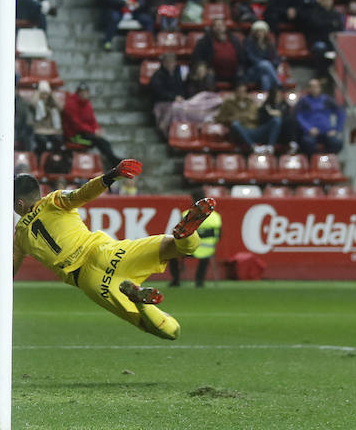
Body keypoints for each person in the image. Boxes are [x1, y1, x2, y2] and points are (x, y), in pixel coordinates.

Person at [12, 161, 218, 339]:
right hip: (108, 252)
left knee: (169, 331)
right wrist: (112, 175)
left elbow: (10, 269)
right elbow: (82, 194)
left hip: (88, 279)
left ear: (19, 203)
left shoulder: (19, 235)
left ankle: (139, 301)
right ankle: (188, 234)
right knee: (176, 247)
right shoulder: (54, 200)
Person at [168, 191, 221, 288]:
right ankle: (199, 281)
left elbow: (179, 234)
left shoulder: (186, 215)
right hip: (208, 249)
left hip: (189, 248)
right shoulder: (215, 216)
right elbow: (219, 235)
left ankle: (176, 280)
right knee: (204, 258)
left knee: (172, 256)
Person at [62, 84, 122, 167]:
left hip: (86, 133)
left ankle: (112, 160)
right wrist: (93, 131)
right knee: (98, 141)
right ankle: (113, 161)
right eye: (81, 92)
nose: (83, 94)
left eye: (85, 92)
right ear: (77, 93)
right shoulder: (70, 105)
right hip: (74, 136)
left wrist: (97, 129)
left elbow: (93, 120)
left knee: (105, 142)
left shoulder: (87, 104)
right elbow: (76, 125)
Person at [216, 83, 280, 154]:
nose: (242, 93)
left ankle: (270, 147)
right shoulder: (228, 103)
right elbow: (219, 119)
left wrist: (268, 112)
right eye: (239, 91)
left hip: (254, 129)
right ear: (235, 92)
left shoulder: (251, 102)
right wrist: (232, 118)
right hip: (241, 131)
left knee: (276, 120)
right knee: (235, 124)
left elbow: (258, 117)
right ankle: (254, 148)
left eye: (244, 91)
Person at [294, 77, 345, 154]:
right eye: (311, 87)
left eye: (316, 87)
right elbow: (298, 116)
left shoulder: (327, 100)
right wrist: (308, 128)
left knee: (337, 143)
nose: (313, 89)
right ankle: (314, 160)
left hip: (326, 132)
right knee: (306, 143)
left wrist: (336, 129)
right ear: (308, 88)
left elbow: (341, 113)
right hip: (311, 133)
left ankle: (326, 158)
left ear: (320, 88)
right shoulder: (303, 101)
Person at [300, 0, 343, 72]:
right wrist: (331, 24)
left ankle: (335, 74)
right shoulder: (314, 12)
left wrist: (326, 24)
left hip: (333, 42)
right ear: (320, 0)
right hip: (319, 40)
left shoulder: (336, 14)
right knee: (320, 48)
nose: (327, 1)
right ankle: (321, 74)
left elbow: (340, 27)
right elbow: (316, 25)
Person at [193, 18, 244, 86]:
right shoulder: (205, 41)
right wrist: (204, 66)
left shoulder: (234, 40)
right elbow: (197, 56)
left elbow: (242, 57)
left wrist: (241, 67)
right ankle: (210, 96)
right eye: (216, 25)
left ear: (225, 27)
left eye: (221, 25)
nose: (219, 27)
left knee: (241, 78)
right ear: (212, 28)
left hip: (233, 71)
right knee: (208, 78)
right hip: (213, 71)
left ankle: (239, 97)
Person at [242, 21, 282, 92]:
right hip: (253, 70)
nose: (260, 33)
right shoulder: (248, 42)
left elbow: (275, 58)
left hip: (265, 71)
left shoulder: (269, 44)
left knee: (265, 78)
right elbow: (250, 57)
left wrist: (272, 64)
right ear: (254, 32)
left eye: (261, 31)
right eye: (258, 31)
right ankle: (278, 83)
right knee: (265, 64)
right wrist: (263, 63)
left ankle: (266, 99)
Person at [259, 86, 300, 153]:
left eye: (280, 95)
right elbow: (262, 122)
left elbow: (288, 118)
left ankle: (292, 143)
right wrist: (272, 115)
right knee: (276, 121)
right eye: (276, 95)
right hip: (269, 134)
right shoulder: (266, 106)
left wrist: (280, 114)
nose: (278, 97)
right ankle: (270, 146)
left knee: (292, 120)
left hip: (283, 134)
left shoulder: (284, 105)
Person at [32, 80, 64, 153]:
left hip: (52, 131)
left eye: (46, 94)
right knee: (42, 143)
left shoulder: (52, 105)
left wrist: (51, 94)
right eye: (43, 94)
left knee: (59, 141)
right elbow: (32, 103)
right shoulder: (37, 104)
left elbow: (61, 107)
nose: (44, 96)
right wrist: (38, 91)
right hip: (40, 130)